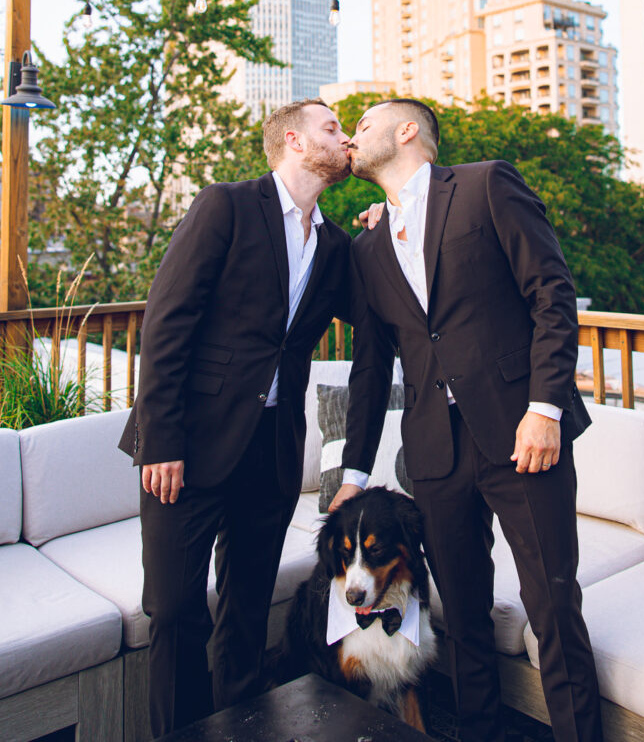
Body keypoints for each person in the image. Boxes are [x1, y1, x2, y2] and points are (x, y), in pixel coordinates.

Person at [331, 98, 604, 742]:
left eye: (362, 124)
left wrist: (544, 409)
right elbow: (372, 368)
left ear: (406, 131)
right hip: (433, 452)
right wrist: (353, 470)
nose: (350, 137)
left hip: (521, 434)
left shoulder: (485, 184)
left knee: (553, 605)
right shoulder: (368, 247)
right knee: (463, 616)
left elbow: (552, 295)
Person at [118, 99, 388, 738]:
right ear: (293, 140)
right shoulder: (226, 206)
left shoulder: (335, 246)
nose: (345, 138)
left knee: (244, 617)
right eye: (332, 128)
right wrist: (161, 441)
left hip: (269, 454)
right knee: (177, 614)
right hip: (184, 450)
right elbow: (166, 321)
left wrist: (389, 225)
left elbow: (378, 311)